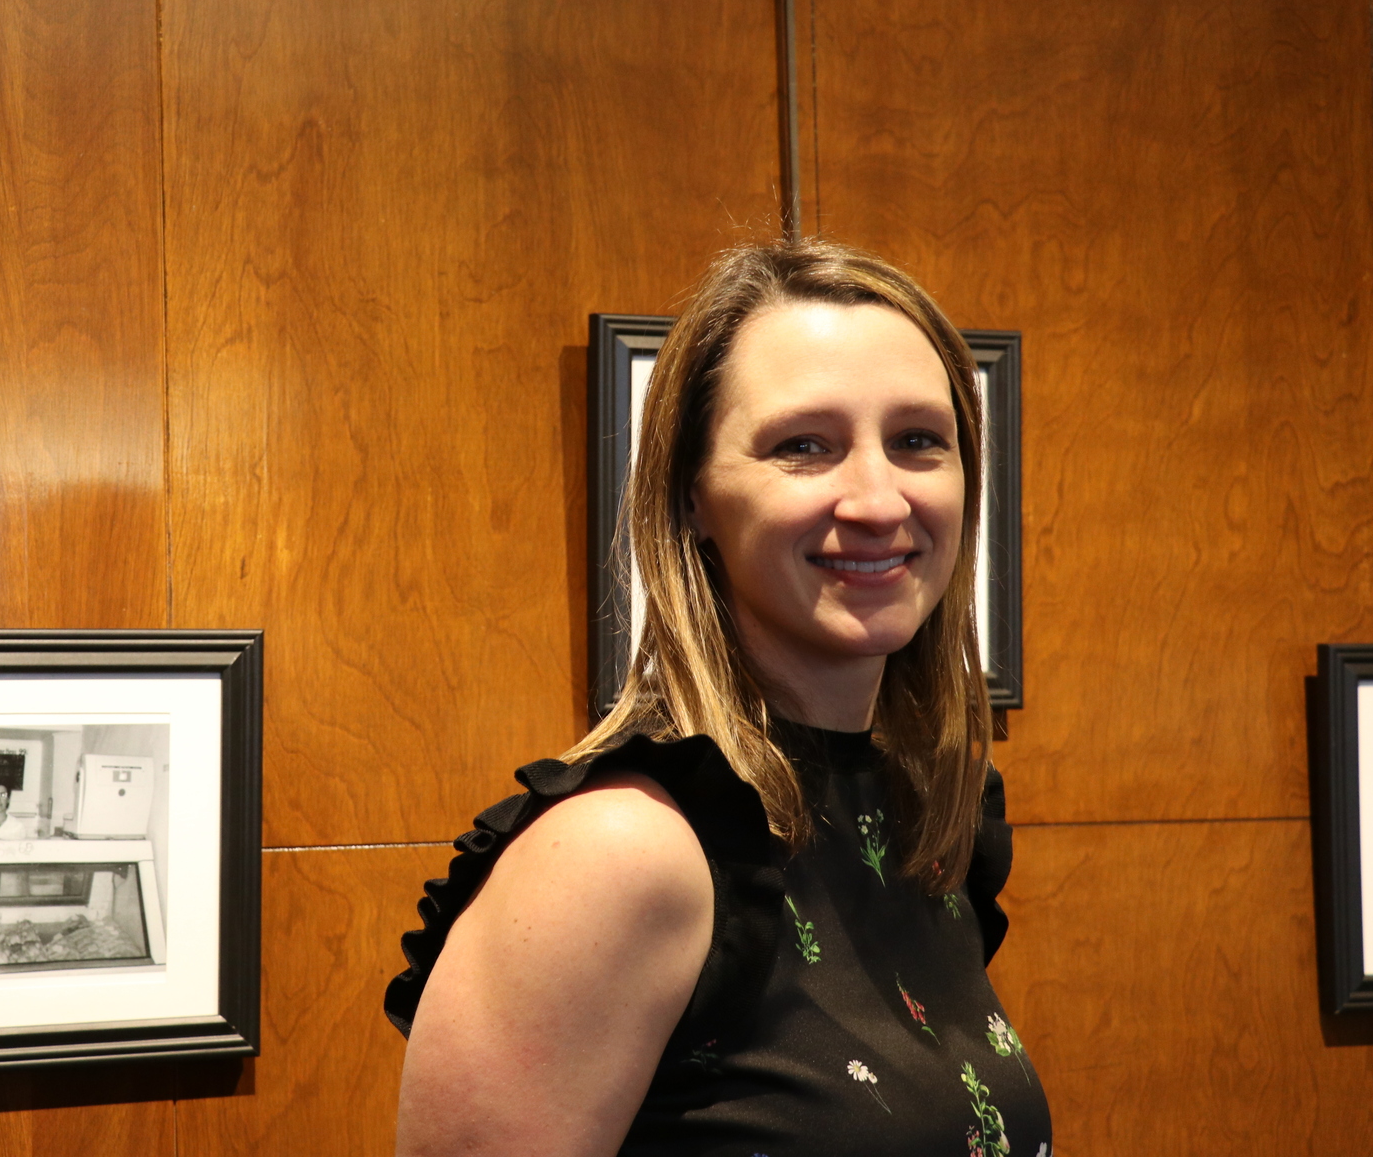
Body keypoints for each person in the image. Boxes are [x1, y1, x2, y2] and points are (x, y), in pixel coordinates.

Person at [386, 239, 1051, 1156]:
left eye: (917, 441)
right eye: (804, 446)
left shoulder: (926, 820)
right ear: (693, 496)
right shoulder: (621, 854)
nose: (877, 498)